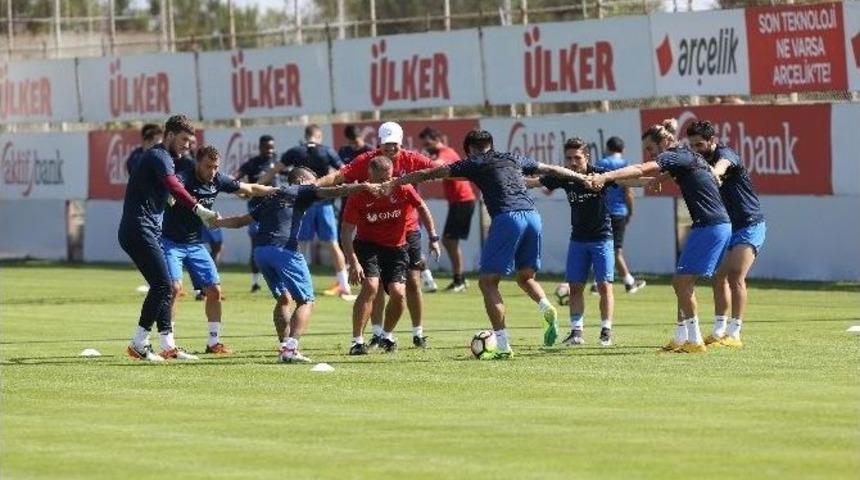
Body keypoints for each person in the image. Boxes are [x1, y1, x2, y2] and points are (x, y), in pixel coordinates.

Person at [389, 129, 588, 358]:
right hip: (533, 216)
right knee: (525, 277)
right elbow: (551, 169)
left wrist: (398, 181)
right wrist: (581, 177)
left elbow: (433, 172)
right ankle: (545, 306)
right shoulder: (512, 157)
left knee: (487, 283)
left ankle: (503, 347)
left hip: (508, 218)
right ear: (491, 145)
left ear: (470, 150)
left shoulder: (473, 162)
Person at [589, 120, 732, 354]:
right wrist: (656, 179)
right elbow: (654, 174)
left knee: (682, 282)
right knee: (681, 283)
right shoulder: (684, 156)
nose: (650, 153)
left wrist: (605, 177)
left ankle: (694, 341)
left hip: (711, 225)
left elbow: (640, 169)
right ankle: (681, 337)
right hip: (710, 225)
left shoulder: (676, 156)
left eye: (651, 149)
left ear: (664, 142)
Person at [211, 167, 377, 363]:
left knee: (283, 298)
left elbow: (240, 221)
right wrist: (363, 186)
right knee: (306, 301)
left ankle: (284, 347)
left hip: (261, 252)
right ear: (300, 180)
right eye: (312, 181)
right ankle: (291, 349)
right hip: (284, 250)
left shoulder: (273, 196)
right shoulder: (301, 190)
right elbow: (332, 191)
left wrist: (218, 222)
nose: (315, 184)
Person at [318, 122, 444, 349]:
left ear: (400, 143)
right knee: (372, 285)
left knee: (408, 284)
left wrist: (477, 172)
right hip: (370, 241)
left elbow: (439, 172)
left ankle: (416, 332)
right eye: (386, 145)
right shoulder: (365, 170)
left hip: (405, 234)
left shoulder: (408, 170)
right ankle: (370, 335)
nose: (390, 149)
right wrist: (313, 187)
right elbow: (339, 177)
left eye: (394, 145)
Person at [527, 138, 652, 348]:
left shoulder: (600, 174)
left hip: (602, 238)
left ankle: (606, 331)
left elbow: (629, 181)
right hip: (577, 240)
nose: (573, 162)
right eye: (569, 158)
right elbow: (535, 182)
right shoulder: (565, 177)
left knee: (605, 286)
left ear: (587, 157)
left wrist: (652, 180)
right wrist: (509, 181)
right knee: (575, 288)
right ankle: (576, 332)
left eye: (577, 157)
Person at [119, 114, 218, 362]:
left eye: (190, 140)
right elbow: (173, 185)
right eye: (184, 139)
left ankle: (167, 345)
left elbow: (163, 188)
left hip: (146, 229)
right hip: (138, 228)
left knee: (167, 287)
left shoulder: (168, 158)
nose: (188, 145)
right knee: (164, 285)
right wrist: (199, 209)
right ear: (170, 135)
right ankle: (139, 343)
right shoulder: (159, 155)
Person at [162, 144, 276, 355]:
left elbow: (249, 188)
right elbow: (170, 190)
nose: (212, 171)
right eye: (208, 166)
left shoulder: (218, 180)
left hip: (195, 244)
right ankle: (168, 344)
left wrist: (275, 191)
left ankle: (213, 342)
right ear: (198, 162)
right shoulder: (184, 178)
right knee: (174, 289)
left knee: (214, 291)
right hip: (171, 243)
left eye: (215, 167)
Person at [342, 156, 441, 355]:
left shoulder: (403, 188)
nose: (384, 184)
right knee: (371, 285)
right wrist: (353, 262)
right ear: (370, 176)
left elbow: (421, 207)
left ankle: (387, 335)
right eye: (379, 180)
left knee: (397, 292)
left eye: (388, 179)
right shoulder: (359, 195)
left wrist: (433, 237)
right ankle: (357, 341)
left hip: (397, 248)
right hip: (367, 245)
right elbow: (345, 231)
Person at [687, 120, 766, 348]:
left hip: (750, 224)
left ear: (712, 141)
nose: (696, 149)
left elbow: (722, 166)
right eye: (692, 145)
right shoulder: (698, 160)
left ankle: (735, 332)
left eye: (699, 144)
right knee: (717, 276)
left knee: (735, 276)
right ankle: (719, 330)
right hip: (729, 225)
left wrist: (712, 173)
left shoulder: (726, 153)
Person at [264, 125, 353, 300]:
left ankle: (297, 283)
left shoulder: (295, 151)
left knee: (299, 244)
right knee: (332, 244)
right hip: (324, 203)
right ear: (319, 136)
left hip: (301, 205)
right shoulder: (327, 151)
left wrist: (258, 185)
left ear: (305, 136)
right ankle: (344, 285)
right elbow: (345, 171)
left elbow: (274, 170)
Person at [419, 127, 476, 292]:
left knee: (450, 241)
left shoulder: (446, 152)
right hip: (458, 202)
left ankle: (459, 280)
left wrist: (423, 162)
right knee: (449, 241)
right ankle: (460, 279)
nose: (425, 146)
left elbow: (437, 165)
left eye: (427, 143)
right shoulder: (441, 152)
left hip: (463, 201)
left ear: (437, 138)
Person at [594, 136, 647, 294]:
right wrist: (631, 210)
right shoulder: (625, 165)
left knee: (603, 247)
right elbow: (628, 191)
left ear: (607, 148)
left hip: (602, 212)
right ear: (622, 150)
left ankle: (599, 284)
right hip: (618, 212)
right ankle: (628, 283)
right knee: (615, 250)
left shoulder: (600, 163)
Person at [233, 134, 278, 293]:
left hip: (276, 210)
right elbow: (234, 180)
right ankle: (255, 282)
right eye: (267, 147)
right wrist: (240, 193)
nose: (270, 150)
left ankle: (278, 280)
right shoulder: (252, 164)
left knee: (277, 243)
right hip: (256, 211)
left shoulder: (278, 162)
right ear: (260, 147)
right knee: (256, 245)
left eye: (272, 147)